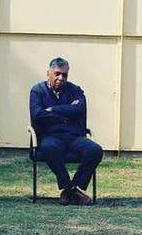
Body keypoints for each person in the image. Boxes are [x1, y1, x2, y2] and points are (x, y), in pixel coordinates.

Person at [28, 57, 102, 205]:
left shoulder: (75, 90)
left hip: (73, 136)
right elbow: (37, 116)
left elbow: (79, 109)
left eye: (64, 75)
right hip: (50, 136)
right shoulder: (37, 91)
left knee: (95, 150)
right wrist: (66, 115)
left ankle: (71, 189)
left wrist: (54, 110)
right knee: (50, 148)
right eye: (57, 74)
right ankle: (71, 190)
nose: (61, 78)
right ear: (48, 74)